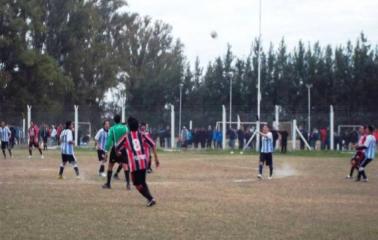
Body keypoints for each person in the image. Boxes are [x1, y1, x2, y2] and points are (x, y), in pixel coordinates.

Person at [116, 117, 159, 207]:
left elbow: (117, 146)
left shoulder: (126, 136)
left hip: (134, 164)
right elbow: (153, 144)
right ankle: (149, 198)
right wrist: (156, 158)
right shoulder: (143, 135)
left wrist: (119, 152)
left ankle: (151, 198)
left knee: (136, 184)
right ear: (138, 126)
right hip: (143, 162)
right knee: (143, 182)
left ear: (129, 127)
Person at [102, 115, 129, 189]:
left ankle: (108, 184)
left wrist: (106, 151)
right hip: (123, 149)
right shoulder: (125, 128)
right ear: (120, 120)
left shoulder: (112, 129)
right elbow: (128, 138)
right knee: (125, 166)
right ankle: (128, 184)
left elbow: (109, 141)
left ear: (114, 121)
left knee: (110, 166)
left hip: (115, 148)